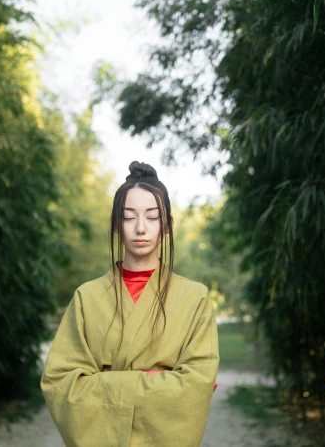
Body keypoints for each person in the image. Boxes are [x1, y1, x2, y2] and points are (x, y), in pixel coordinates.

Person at [41, 161, 220, 447]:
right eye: (128, 217)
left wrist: (103, 384)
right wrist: (154, 381)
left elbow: (194, 387)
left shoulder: (195, 298)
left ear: (168, 225)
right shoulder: (86, 297)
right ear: (115, 224)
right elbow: (60, 382)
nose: (140, 228)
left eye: (152, 217)